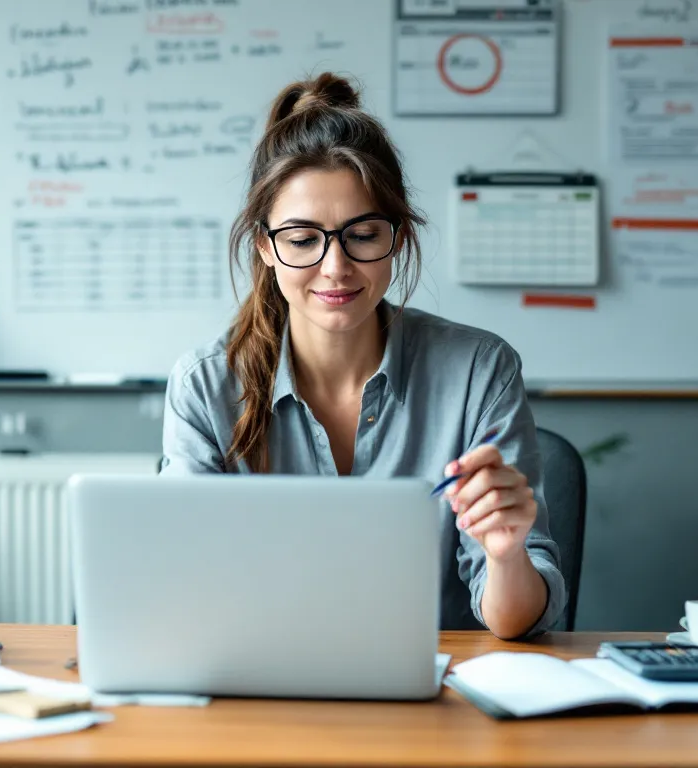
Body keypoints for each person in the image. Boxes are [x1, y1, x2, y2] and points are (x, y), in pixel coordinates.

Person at [160, 73, 566, 639]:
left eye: (363, 234)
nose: (335, 267)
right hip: (258, 682)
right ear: (264, 246)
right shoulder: (206, 387)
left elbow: (513, 624)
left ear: (396, 236)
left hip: (432, 700)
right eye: (302, 239)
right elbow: (184, 588)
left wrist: (504, 555)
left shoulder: (478, 372)